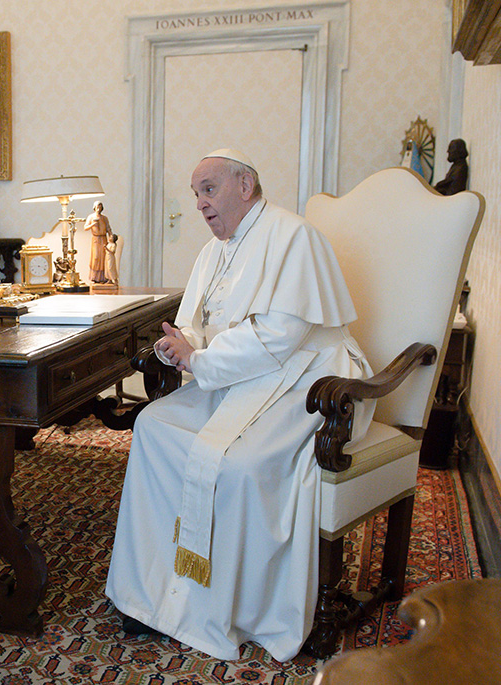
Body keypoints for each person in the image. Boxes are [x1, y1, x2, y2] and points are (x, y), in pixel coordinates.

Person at [105, 149, 374, 661]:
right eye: (196, 194)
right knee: (154, 426)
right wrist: (178, 343)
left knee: (244, 463)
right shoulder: (214, 251)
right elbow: (198, 324)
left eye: (209, 189)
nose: (200, 204)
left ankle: (237, 609)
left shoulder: (293, 236)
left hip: (304, 378)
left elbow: (281, 335)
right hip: (235, 378)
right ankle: (153, 592)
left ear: (245, 185)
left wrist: (199, 359)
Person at [83, 201, 111, 283]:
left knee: (104, 258)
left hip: (103, 239)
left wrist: (111, 237)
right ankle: (94, 277)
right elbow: (85, 228)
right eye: (97, 207)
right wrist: (93, 225)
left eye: (100, 207)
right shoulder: (91, 217)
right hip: (96, 239)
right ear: (94, 207)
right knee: (96, 257)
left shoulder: (104, 218)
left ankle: (104, 277)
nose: (99, 209)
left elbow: (108, 228)